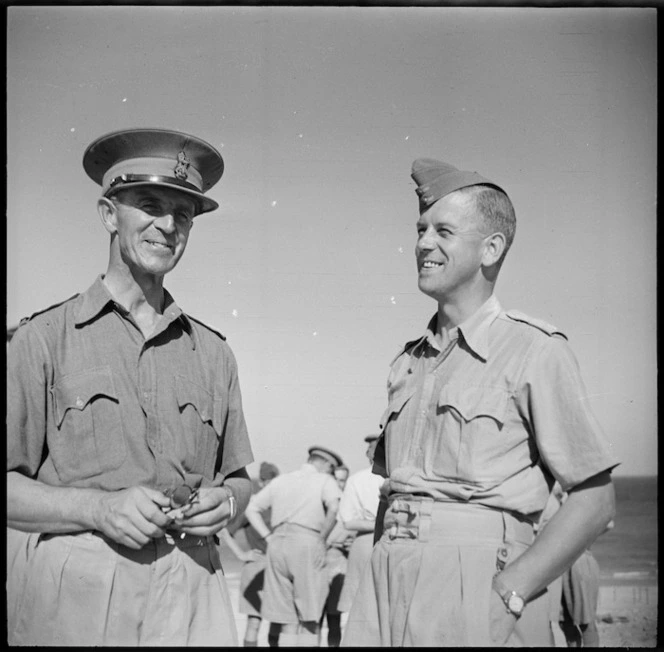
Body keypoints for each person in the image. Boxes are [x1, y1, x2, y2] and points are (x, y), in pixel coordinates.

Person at [341, 158, 619, 647]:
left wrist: (508, 593)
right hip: (386, 583)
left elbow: (595, 499)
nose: (424, 243)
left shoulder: (535, 349)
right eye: (422, 229)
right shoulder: (407, 362)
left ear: (491, 248)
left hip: (478, 589)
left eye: (444, 231)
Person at [6, 128, 254, 646]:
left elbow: (239, 478)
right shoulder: (42, 340)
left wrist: (227, 503)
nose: (167, 226)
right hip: (81, 595)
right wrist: (96, 508)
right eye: (149, 204)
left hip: (194, 593)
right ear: (108, 214)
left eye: (183, 214)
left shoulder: (213, 353)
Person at [245, 445, 344, 647]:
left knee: (286, 618)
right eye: (331, 468)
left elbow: (251, 508)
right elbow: (334, 507)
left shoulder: (282, 480)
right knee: (309, 616)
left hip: (277, 544)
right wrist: (322, 538)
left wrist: (268, 537)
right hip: (307, 542)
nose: (331, 471)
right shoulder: (325, 480)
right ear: (325, 464)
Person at [218, 461, 282, 647]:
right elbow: (224, 531)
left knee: (279, 622)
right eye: (268, 482)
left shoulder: (281, 505)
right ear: (261, 483)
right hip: (258, 564)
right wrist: (241, 554)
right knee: (254, 622)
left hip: (279, 566)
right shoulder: (251, 506)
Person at [336, 434, 385, 616]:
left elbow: (348, 521)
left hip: (365, 540)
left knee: (356, 603)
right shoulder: (400, 477)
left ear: (368, 454)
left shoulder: (357, 479)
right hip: (390, 538)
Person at [320, 463, 355, 647]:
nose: (340, 484)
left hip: (338, 567)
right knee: (314, 619)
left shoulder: (350, 506)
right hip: (317, 566)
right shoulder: (321, 504)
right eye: (336, 479)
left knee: (334, 620)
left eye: (343, 480)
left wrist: (349, 544)